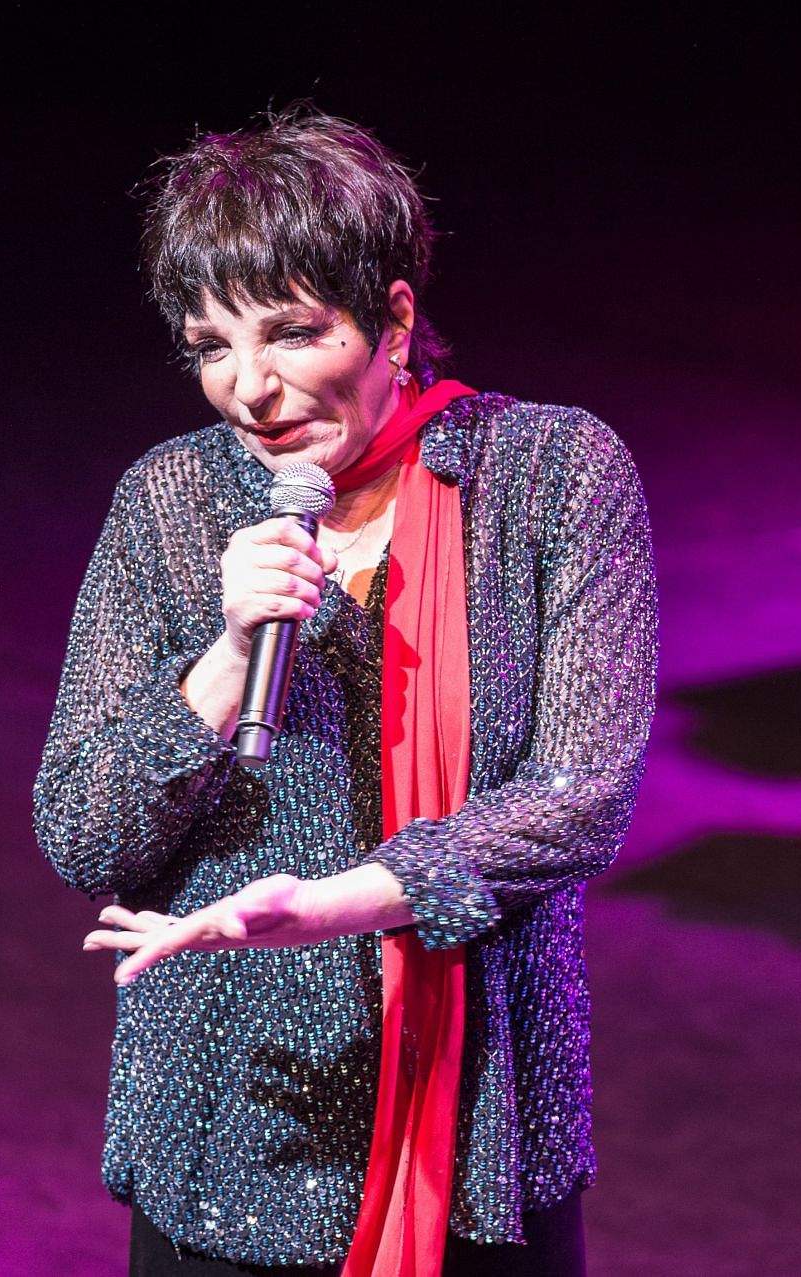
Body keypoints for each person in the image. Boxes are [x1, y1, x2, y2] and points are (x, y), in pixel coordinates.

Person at [33, 108, 657, 1277]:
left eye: (295, 332)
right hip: (228, 1124)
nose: (253, 389)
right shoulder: (170, 504)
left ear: (396, 317)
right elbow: (80, 826)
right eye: (214, 346)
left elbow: (581, 794)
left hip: (480, 1130)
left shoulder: (552, 475)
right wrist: (223, 657)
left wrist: (333, 902)